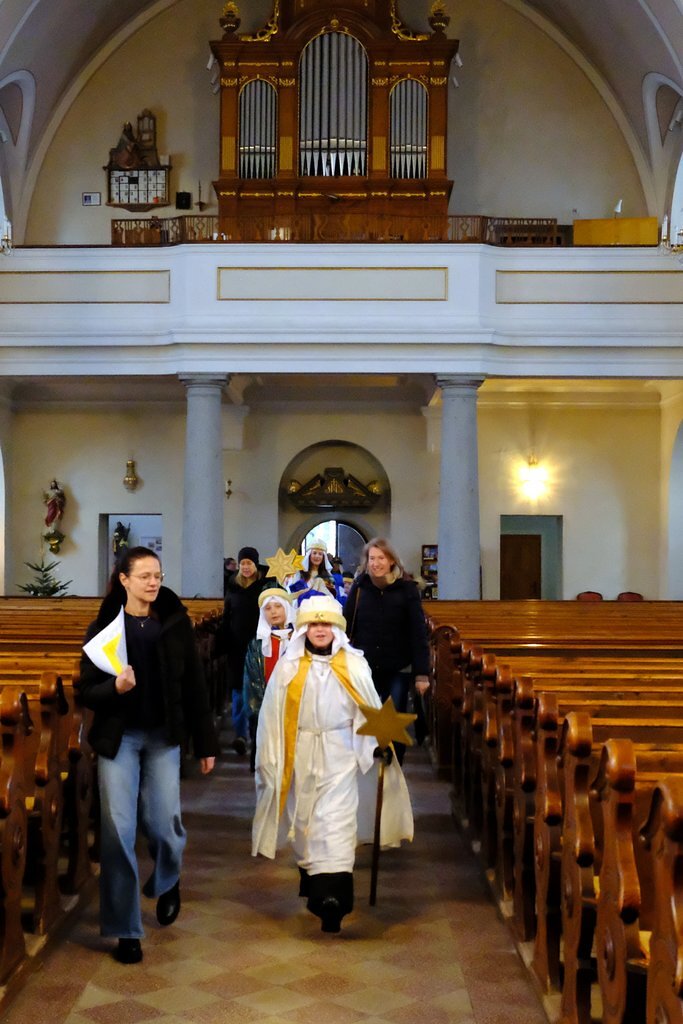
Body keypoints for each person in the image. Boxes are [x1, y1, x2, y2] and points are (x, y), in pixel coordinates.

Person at [77, 546, 218, 966]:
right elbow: (86, 690)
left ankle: (168, 878)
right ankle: (125, 929)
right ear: (124, 579)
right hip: (119, 739)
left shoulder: (173, 623)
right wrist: (114, 688)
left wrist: (206, 743)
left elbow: (194, 686)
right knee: (117, 831)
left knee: (164, 824)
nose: (153, 582)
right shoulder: (104, 626)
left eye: (157, 575)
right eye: (145, 576)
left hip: (163, 737)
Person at [252, 594, 414, 934]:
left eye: (326, 623)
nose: (320, 629)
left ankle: (334, 900)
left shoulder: (354, 665)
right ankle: (314, 882)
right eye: (314, 624)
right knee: (306, 823)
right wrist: (271, 755)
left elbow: (367, 709)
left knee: (337, 821)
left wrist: (377, 745)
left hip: (341, 753)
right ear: (304, 629)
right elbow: (272, 716)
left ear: (336, 628)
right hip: (300, 753)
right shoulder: (288, 667)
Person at [343, 537, 430, 762]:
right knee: (366, 715)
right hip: (366, 665)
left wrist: (422, 673)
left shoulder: (407, 589)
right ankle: (368, 762)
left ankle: (394, 763)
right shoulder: (360, 587)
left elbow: (418, 632)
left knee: (394, 717)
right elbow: (346, 624)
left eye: (381, 558)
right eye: (372, 558)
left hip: (398, 665)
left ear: (391, 560)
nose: (376, 563)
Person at [222, 546, 273, 754]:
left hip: (258, 644)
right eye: (242, 563)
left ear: (255, 565)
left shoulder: (265, 586)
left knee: (257, 688)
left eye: (249, 563)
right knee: (238, 691)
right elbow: (227, 616)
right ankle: (240, 735)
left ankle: (257, 732)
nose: (245, 567)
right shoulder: (233, 587)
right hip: (236, 646)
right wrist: (224, 640)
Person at [242, 587, 295, 772]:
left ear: (287, 608)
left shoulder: (300, 640)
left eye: (278, 606)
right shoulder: (258, 644)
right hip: (265, 708)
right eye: (268, 608)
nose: (273, 612)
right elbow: (251, 679)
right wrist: (261, 709)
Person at [288, 539, 341, 605]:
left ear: (323, 557)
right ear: (309, 555)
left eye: (320, 554)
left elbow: (332, 596)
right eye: (314, 553)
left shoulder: (327, 576)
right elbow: (293, 595)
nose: (317, 556)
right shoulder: (300, 573)